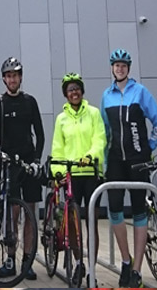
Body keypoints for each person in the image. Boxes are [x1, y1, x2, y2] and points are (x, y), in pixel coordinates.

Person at [101, 49, 157, 288]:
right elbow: (106, 131)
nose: (119, 69)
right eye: (116, 66)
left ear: (128, 68)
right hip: (116, 160)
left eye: (123, 66)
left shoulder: (140, 92)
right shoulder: (106, 96)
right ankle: (126, 261)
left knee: (139, 211)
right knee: (115, 209)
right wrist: (104, 159)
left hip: (138, 160)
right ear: (112, 68)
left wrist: (149, 146)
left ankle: (137, 269)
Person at [0, 56, 44, 280]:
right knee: (13, 213)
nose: (12, 79)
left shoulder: (30, 101)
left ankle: (27, 260)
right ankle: (10, 258)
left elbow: (39, 134)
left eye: (16, 75)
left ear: (21, 77)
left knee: (30, 212)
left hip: (28, 162)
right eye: (9, 76)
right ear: (4, 79)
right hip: (9, 163)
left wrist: (37, 160)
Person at [50, 72, 106, 286]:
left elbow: (100, 139)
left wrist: (90, 156)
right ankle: (78, 263)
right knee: (73, 225)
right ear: (65, 94)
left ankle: (92, 270)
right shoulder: (61, 119)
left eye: (77, 88)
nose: (74, 92)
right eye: (70, 89)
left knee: (91, 222)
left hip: (91, 173)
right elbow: (58, 148)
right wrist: (57, 172)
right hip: (72, 175)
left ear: (82, 91)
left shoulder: (93, 113)